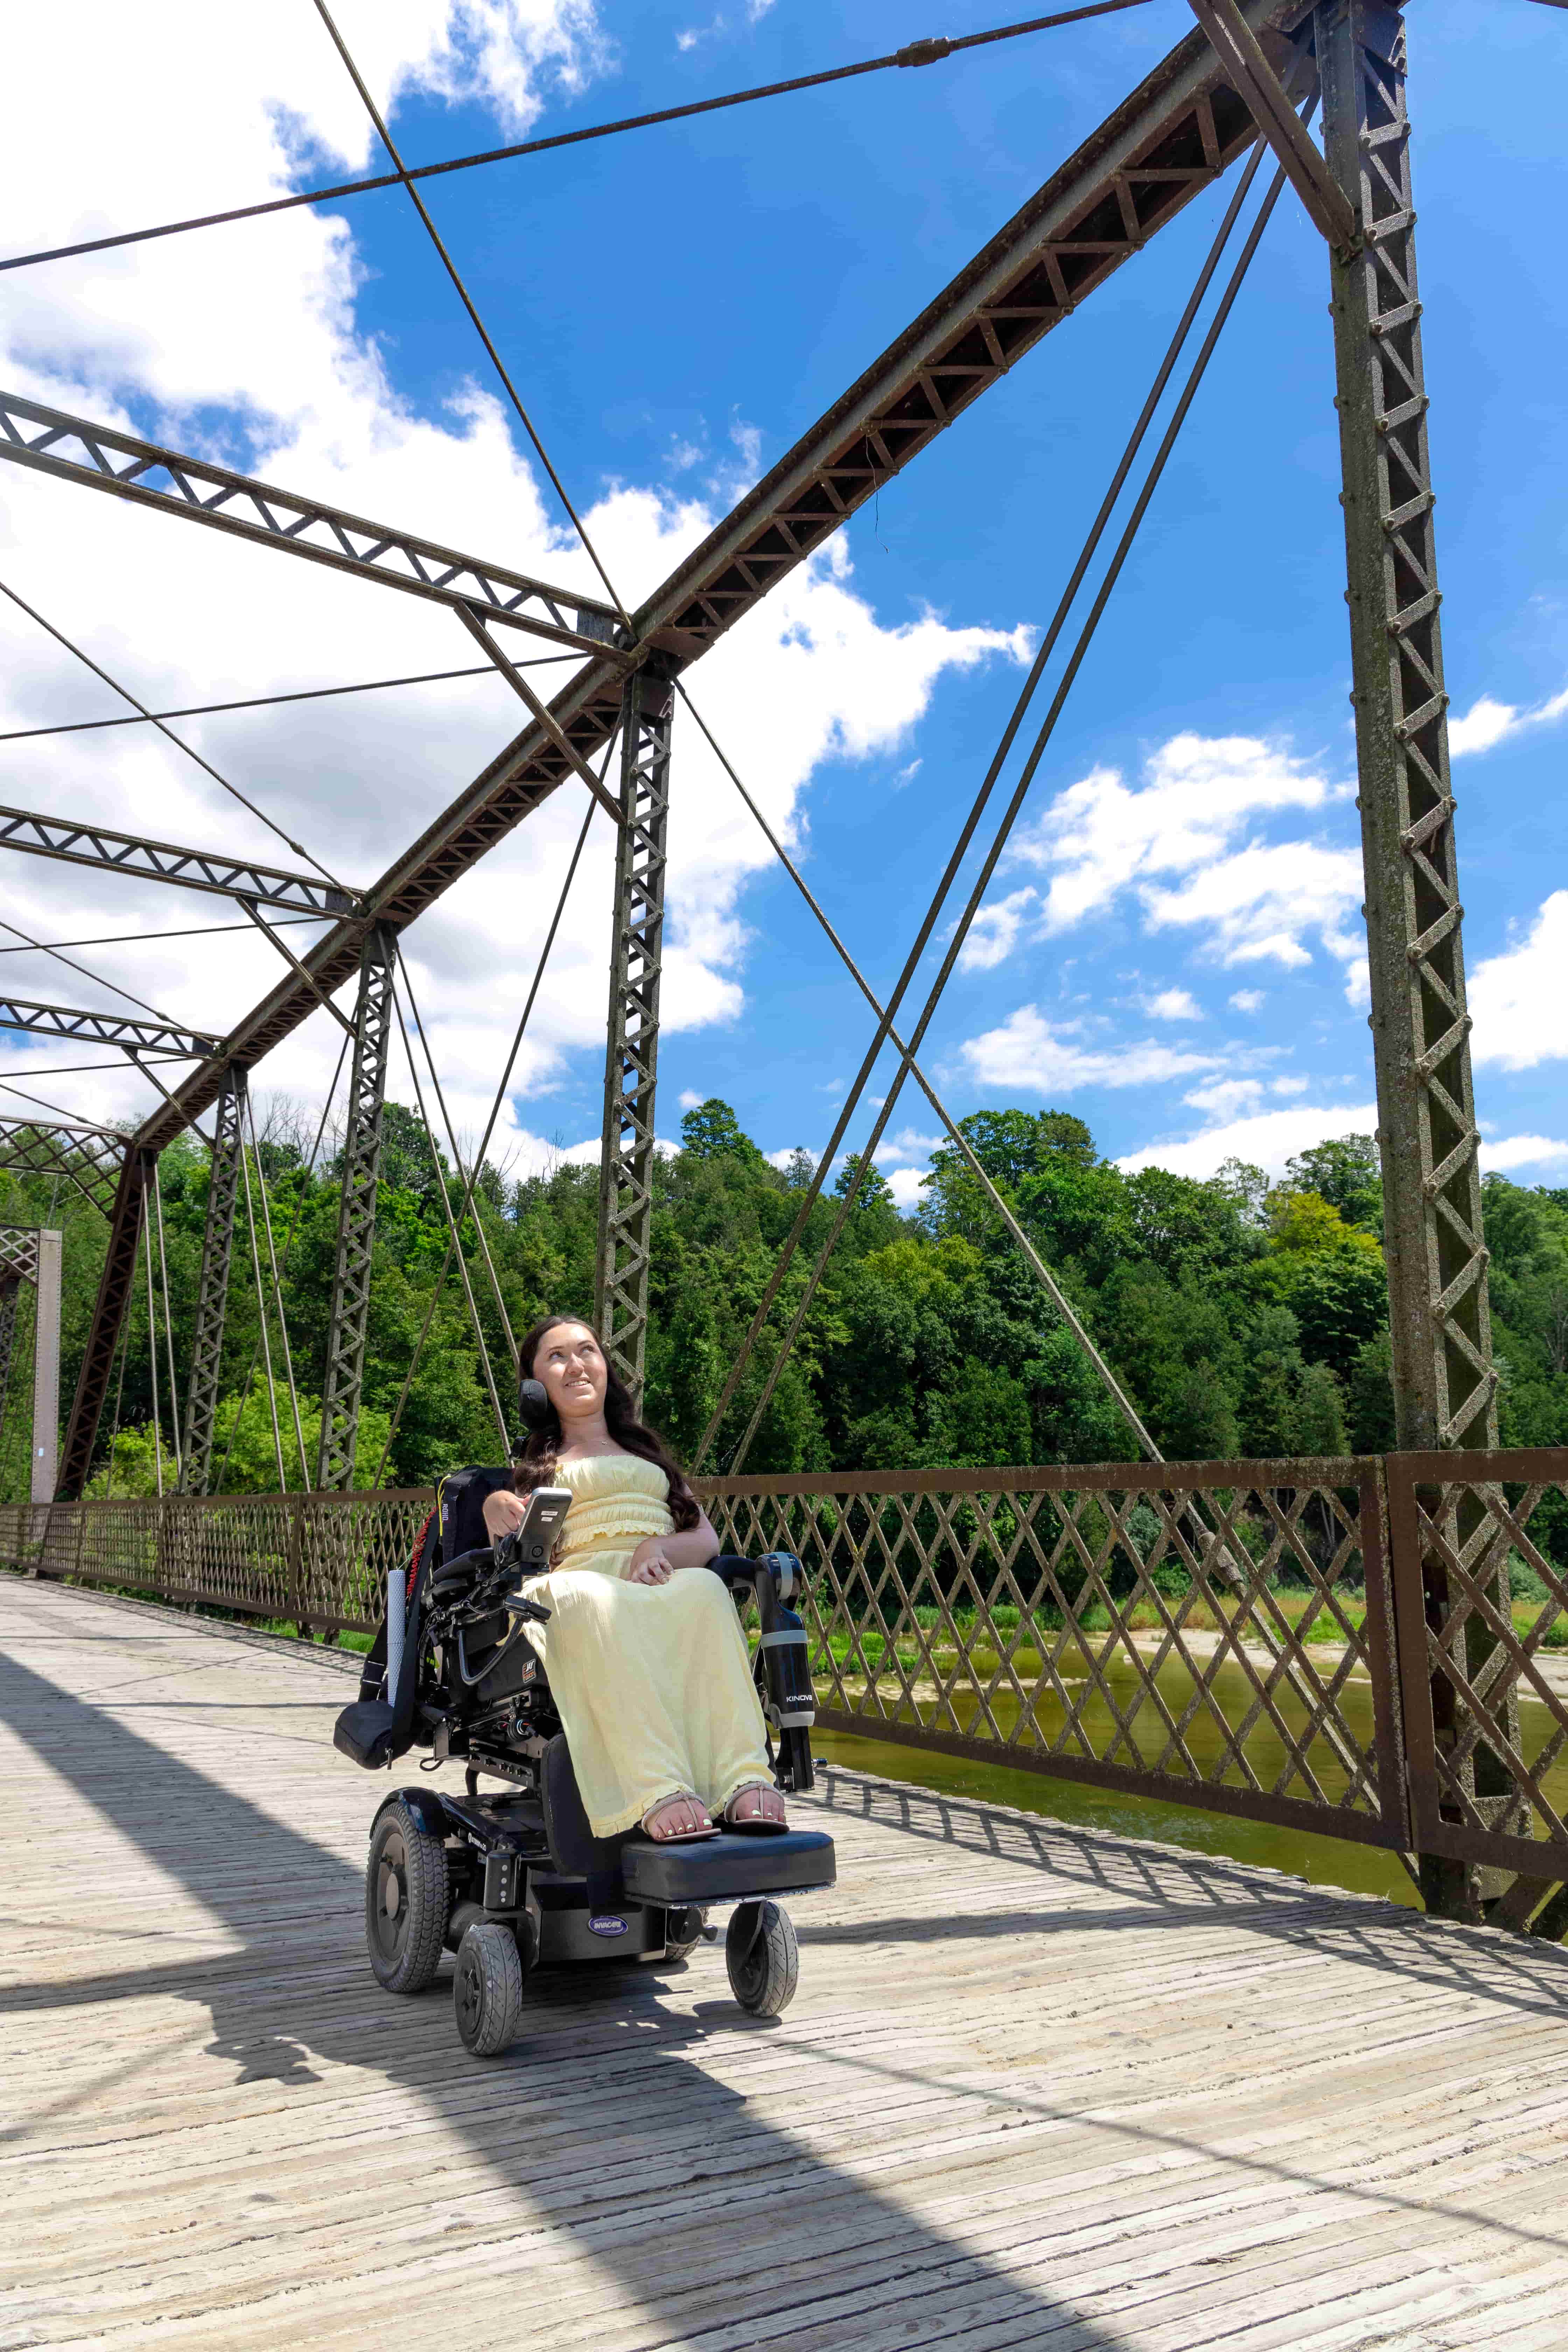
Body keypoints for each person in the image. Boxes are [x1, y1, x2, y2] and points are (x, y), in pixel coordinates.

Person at [481, 1314, 787, 1844]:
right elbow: (512, 1558)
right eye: (557, 1357)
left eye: (587, 1351)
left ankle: (743, 1778)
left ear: (605, 1366)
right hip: (578, 1582)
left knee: (708, 1588)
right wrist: (494, 1507)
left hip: (656, 1579)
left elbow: (706, 1541)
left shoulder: (649, 1457)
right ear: (537, 1387)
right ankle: (655, 1789)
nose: (576, 1365)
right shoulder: (533, 1470)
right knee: (585, 1596)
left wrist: (656, 1546)